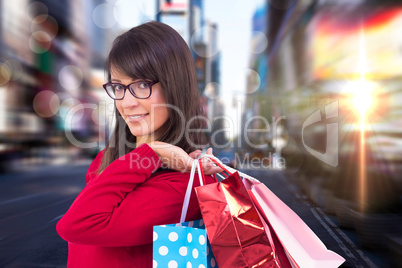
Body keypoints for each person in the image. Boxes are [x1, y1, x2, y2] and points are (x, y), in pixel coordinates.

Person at [56, 21, 222, 268]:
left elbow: (76, 224)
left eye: (142, 85)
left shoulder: (184, 185)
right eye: (118, 86)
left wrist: (153, 152)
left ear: (174, 85)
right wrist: (150, 155)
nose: (127, 102)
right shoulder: (106, 159)